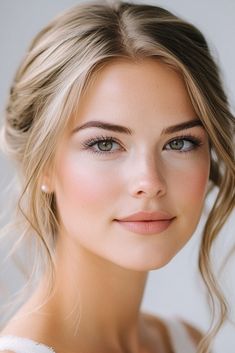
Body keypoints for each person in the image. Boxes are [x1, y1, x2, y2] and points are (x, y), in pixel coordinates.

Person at [0, 0, 234, 352]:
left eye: (180, 142)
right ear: (42, 162)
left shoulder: (184, 341)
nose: (150, 181)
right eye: (106, 144)